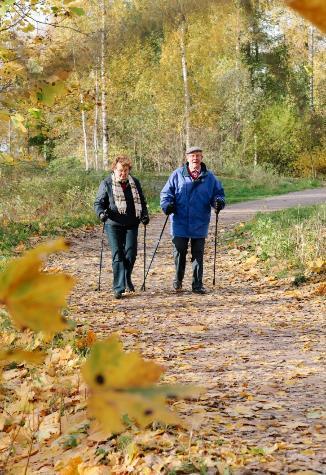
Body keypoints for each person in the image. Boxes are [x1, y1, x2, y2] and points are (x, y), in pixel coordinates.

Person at [160, 146, 225, 294]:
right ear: (187, 158)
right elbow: (166, 194)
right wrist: (167, 205)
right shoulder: (177, 175)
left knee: (198, 254)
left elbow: (219, 194)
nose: (195, 158)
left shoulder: (210, 177)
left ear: (202, 158)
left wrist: (218, 202)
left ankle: (197, 284)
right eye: (192, 156)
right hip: (180, 221)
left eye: (198, 155)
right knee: (179, 252)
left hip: (200, 221)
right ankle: (178, 281)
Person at [94, 155, 149, 299]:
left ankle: (126, 279)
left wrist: (144, 214)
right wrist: (101, 214)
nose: (123, 173)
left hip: (132, 223)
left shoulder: (134, 182)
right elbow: (98, 203)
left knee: (130, 254)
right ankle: (119, 288)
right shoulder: (107, 183)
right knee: (118, 254)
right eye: (120, 170)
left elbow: (142, 201)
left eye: (126, 170)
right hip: (113, 224)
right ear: (114, 169)